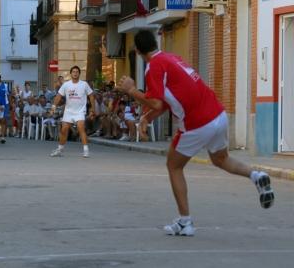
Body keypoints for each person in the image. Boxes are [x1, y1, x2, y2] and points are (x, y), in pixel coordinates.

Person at [118, 30, 275, 236]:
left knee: (173, 166)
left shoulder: (154, 67)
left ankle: (185, 222)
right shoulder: (172, 58)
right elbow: (165, 101)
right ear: (155, 43)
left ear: (137, 50)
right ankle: (256, 175)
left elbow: (156, 101)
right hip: (218, 115)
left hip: (196, 123)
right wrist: (147, 118)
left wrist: (131, 90)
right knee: (221, 159)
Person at [50, 66, 96, 158]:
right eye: (73, 72)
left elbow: (91, 96)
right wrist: (53, 107)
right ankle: (60, 150)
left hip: (80, 111)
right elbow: (58, 96)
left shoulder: (84, 84)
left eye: (77, 72)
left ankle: (86, 150)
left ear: (79, 74)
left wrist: (93, 109)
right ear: (71, 74)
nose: (75, 73)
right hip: (68, 111)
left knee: (81, 128)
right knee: (64, 130)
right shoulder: (66, 85)